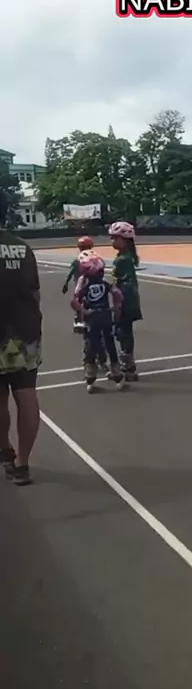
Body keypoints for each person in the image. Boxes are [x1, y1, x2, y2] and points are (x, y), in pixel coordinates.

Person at [0, 191, 41, 485]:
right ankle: (23, 463)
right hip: (26, 332)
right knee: (26, 395)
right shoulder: (22, 248)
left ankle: (5, 450)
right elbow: (35, 294)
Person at [71, 251, 125, 392]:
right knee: (109, 344)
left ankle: (91, 376)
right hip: (104, 315)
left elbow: (74, 301)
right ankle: (116, 373)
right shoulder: (103, 283)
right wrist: (116, 308)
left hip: (93, 318)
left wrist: (84, 312)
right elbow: (118, 294)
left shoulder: (84, 284)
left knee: (92, 346)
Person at [108, 221, 142, 380]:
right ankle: (128, 364)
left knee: (123, 332)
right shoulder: (125, 257)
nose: (112, 241)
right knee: (124, 332)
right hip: (129, 299)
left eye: (116, 238)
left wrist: (118, 304)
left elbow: (121, 284)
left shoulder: (122, 260)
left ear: (125, 240)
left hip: (125, 300)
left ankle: (127, 366)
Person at [62, 236, 94, 333]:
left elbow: (70, 273)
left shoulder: (78, 260)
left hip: (81, 286)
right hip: (87, 285)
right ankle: (81, 319)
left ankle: (79, 319)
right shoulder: (93, 259)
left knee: (79, 302)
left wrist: (65, 284)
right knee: (85, 302)